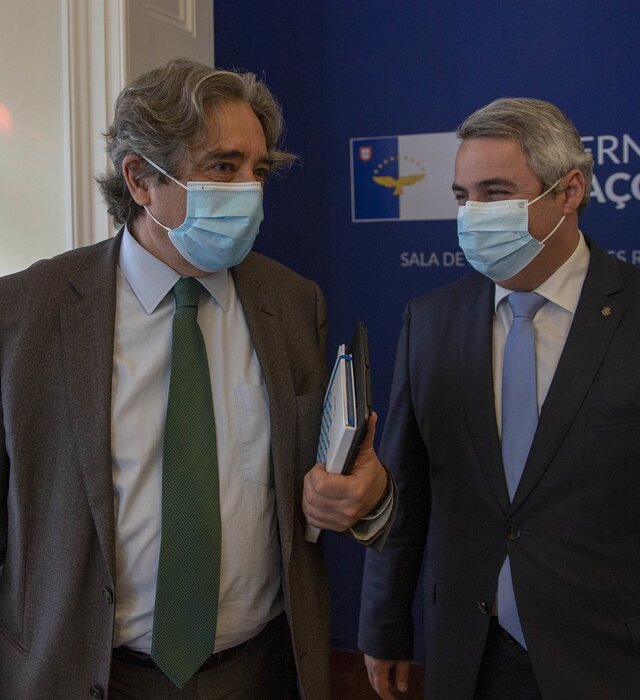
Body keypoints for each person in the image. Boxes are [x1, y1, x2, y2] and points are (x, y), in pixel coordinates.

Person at [0, 58, 391, 700]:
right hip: (87, 675)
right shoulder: (26, 312)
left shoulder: (294, 303)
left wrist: (365, 494)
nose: (249, 190)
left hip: (259, 671)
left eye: (258, 170)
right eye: (223, 167)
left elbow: (327, 483)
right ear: (140, 179)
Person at [358, 97, 640, 699]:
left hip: (608, 655)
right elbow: (405, 487)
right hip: (468, 651)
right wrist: (384, 624)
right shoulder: (431, 320)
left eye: (496, 192)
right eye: (463, 196)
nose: (473, 214)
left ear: (569, 192)